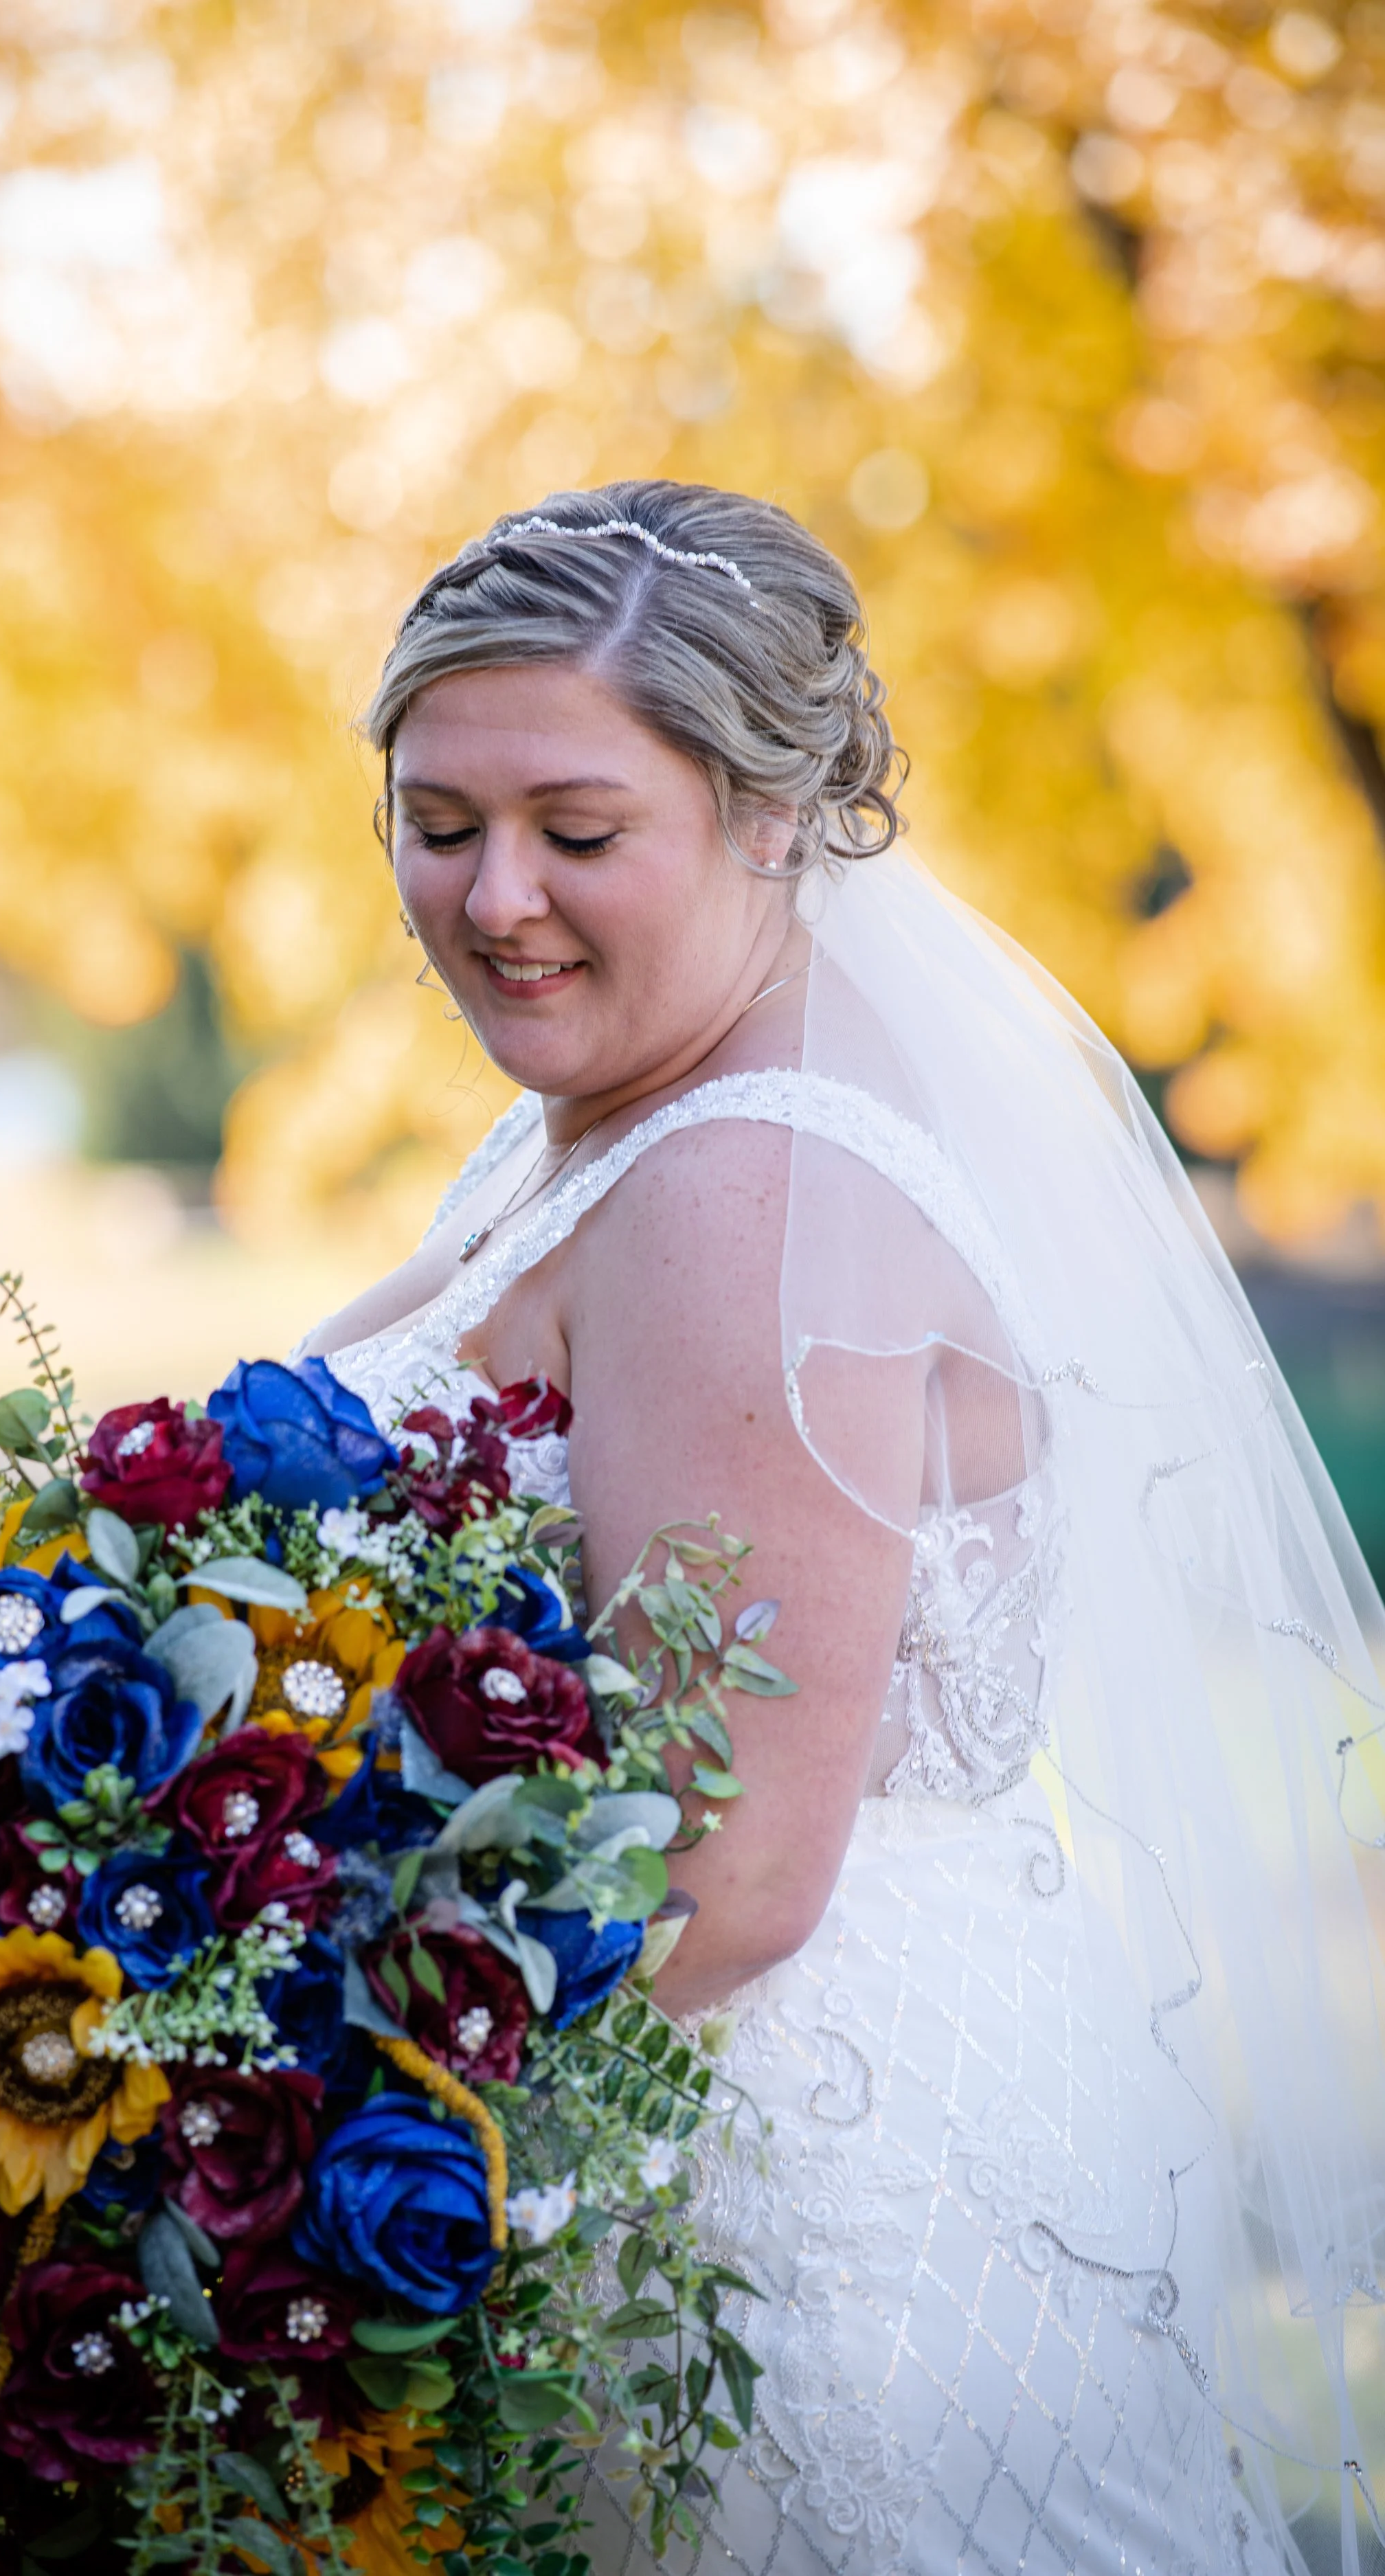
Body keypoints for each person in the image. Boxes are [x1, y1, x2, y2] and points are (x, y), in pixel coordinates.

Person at [296, 482, 1385, 2575]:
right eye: (438, 824)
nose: (493, 896)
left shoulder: (747, 1185)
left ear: (777, 815)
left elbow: (725, 1866)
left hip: (764, 2207)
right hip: (707, 2121)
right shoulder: (620, 1105)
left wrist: (257, 2107)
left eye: (577, 832)